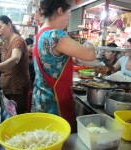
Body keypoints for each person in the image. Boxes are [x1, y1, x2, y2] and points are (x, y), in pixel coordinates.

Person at [32, 0, 96, 132]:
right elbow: (90, 55)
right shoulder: (55, 35)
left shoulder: (39, 35)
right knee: (56, 138)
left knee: (43, 137)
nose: (68, 18)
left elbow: (53, 62)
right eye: (68, 14)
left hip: (40, 98)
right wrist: (90, 43)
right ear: (59, 10)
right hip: (53, 100)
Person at [0, 15, 30, 114]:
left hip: (16, 88)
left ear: (9, 24)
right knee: (10, 115)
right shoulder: (7, 42)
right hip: (8, 86)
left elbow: (15, 59)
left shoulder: (17, 40)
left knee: (17, 116)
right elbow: (6, 58)